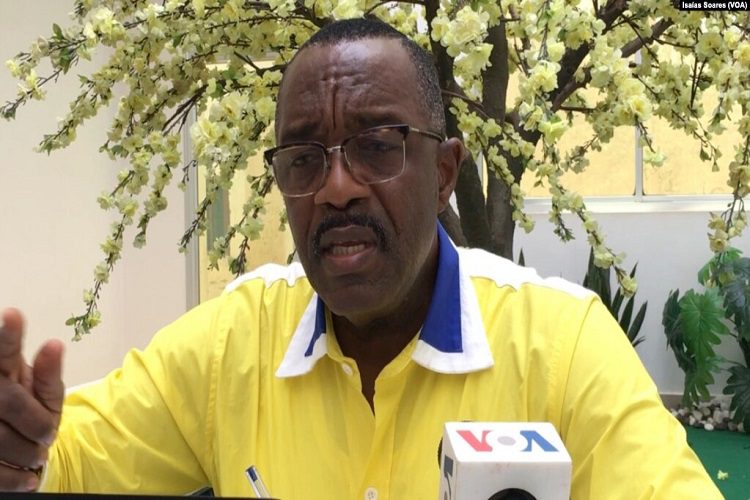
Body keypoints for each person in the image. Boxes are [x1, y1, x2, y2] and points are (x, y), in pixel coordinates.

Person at [0, 18, 721, 499]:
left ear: (444, 173)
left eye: (377, 146)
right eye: (303, 157)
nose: (336, 187)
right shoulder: (233, 344)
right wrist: (18, 453)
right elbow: (67, 457)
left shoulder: (562, 349)